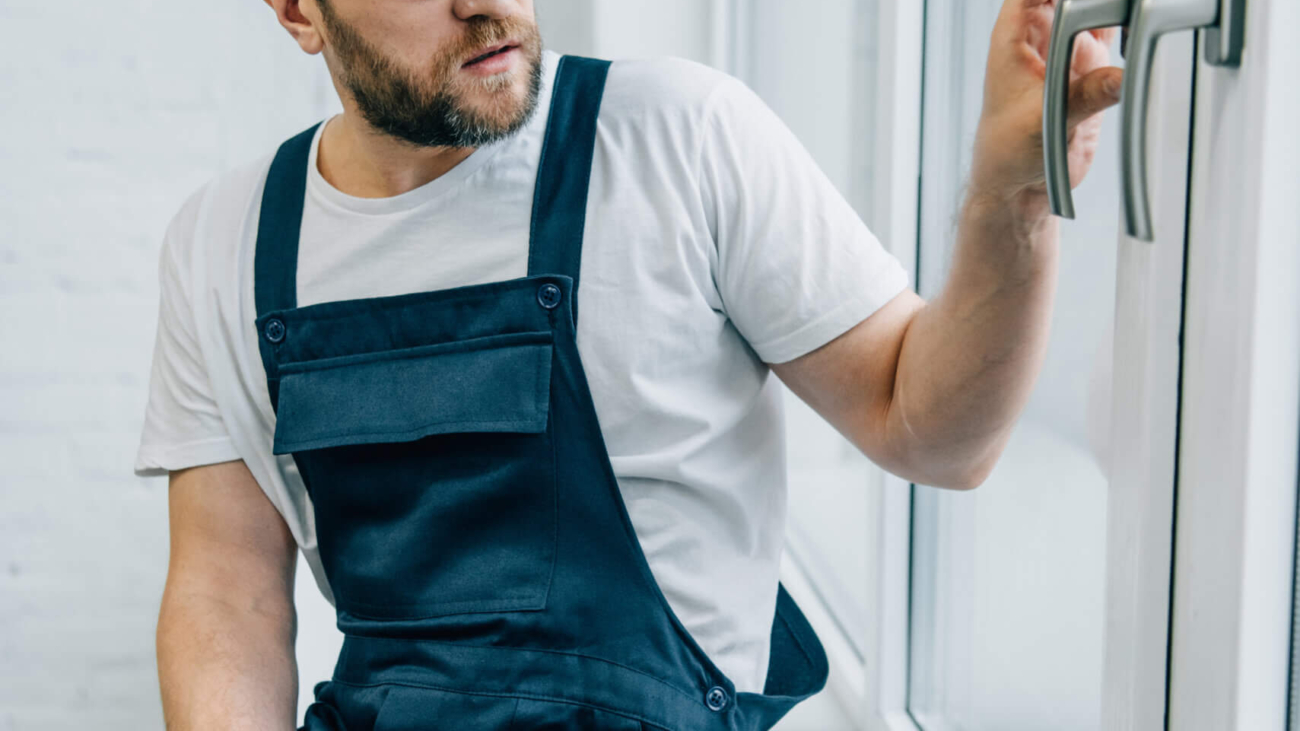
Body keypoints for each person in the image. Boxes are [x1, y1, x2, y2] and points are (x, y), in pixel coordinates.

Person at [133, 0, 1122, 728]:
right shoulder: (225, 240)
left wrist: (1012, 192)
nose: (491, 6)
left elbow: (934, 433)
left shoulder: (678, 137)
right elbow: (228, 592)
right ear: (300, 11)